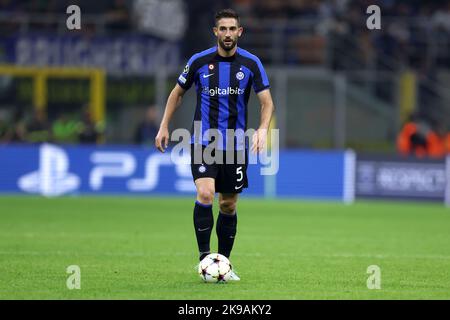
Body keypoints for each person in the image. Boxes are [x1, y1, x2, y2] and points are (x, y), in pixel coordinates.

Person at [154, 9, 275, 281]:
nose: (228, 34)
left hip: (235, 145)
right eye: (223, 29)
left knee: (228, 205)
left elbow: (267, 102)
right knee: (206, 194)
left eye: (233, 29)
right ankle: (204, 259)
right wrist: (164, 125)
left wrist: (262, 131)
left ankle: (224, 264)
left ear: (240, 32)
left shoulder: (251, 64)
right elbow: (177, 94)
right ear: (215, 32)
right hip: (203, 141)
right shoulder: (198, 62)